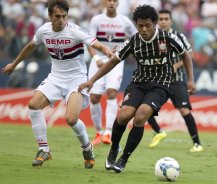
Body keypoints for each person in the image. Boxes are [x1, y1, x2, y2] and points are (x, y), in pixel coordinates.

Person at [78, 4, 196, 173]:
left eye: (148, 25)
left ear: (155, 24)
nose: (144, 29)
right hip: (139, 83)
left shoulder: (167, 38)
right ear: (136, 24)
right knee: (124, 115)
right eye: (140, 26)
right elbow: (112, 62)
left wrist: (190, 80)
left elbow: (185, 55)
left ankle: (124, 158)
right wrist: (92, 81)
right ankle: (114, 149)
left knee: (140, 117)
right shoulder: (133, 41)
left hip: (161, 85)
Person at [2, 0, 114, 169]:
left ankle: (87, 147)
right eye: (57, 16)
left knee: (70, 119)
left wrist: (106, 50)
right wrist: (14, 64)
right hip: (55, 78)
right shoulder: (44, 31)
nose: (61, 19)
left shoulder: (75, 30)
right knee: (33, 105)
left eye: (64, 16)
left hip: (76, 80)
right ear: (50, 16)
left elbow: (96, 44)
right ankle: (44, 149)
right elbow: (30, 46)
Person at [147, 9, 203, 152]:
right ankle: (159, 132)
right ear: (156, 22)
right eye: (161, 19)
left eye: (166, 19)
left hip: (177, 81)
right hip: (159, 80)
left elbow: (190, 55)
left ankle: (197, 144)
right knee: (144, 107)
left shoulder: (179, 36)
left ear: (171, 21)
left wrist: (177, 65)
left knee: (184, 111)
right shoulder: (152, 37)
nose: (163, 21)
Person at [87, 0, 137, 145]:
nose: (112, 3)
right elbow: (89, 42)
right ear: (104, 2)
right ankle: (98, 132)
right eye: (109, 0)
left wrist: (125, 50)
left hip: (116, 61)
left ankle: (108, 133)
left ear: (118, 3)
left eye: (115, 0)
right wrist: (96, 58)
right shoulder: (96, 20)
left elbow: (136, 38)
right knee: (95, 97)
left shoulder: (125, 21)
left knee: (112, 92)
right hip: (98, 61)